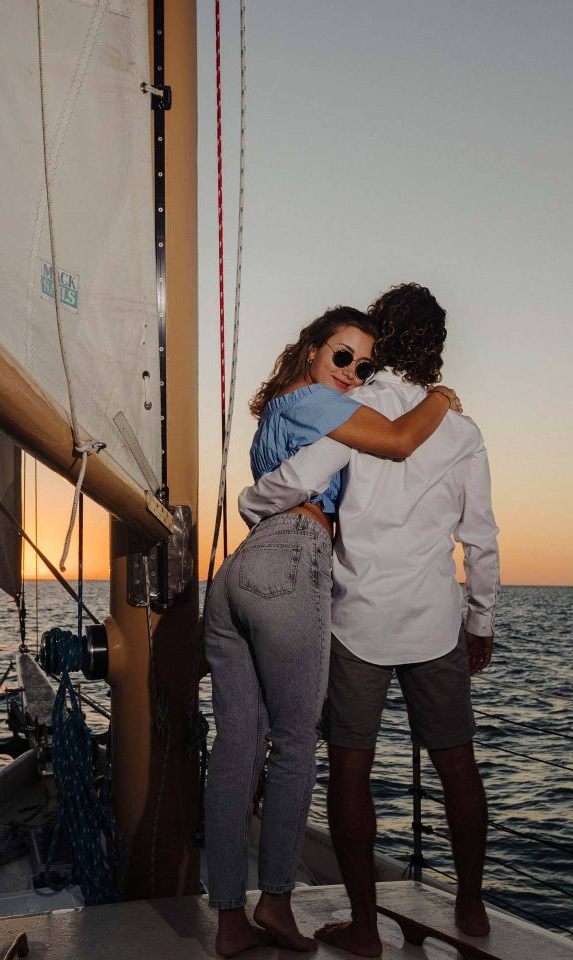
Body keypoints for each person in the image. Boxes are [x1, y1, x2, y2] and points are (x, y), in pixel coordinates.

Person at [239, 284, 499, 957]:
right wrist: (482, 621)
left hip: (355, 619)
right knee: (457, 766)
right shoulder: (463, 430)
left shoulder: (351, 411)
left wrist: (251, 504)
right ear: (437, 350)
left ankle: (364, 928)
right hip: (436, 622)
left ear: (382, 336)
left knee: (350, 771)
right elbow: (482, 539)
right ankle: (471, 908)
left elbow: (294, 482)